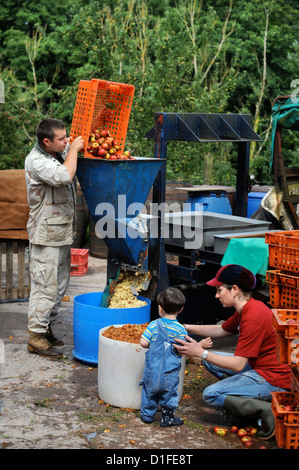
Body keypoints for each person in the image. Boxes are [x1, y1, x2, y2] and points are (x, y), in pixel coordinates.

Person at [174, 264, 291, 439]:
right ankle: (241, 396)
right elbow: (221, 330)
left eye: (220, 290)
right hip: (258, 367)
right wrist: (184, 327)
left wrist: (200, 352)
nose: (216, 295)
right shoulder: (247, 307)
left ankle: (264, 409)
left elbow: (238, 365)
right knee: (210, 361)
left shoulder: (253, 317)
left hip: (274, 379)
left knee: (211, 394)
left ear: (234, 289)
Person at [25, 118, 84, 359]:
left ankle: (46, 327)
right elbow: (64, 176)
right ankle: (35, 336)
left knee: (59, 284)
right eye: (61, 139)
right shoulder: (37, 161)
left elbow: (72, 155)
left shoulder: (57, 152)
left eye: (66, 136)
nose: (67, 141)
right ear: (46, 141)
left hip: (60, 232)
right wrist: (75, 150)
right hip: (46, 233)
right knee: (45, 284)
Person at [139, 287, 212, 427]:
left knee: (149, 393)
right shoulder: (180, 330)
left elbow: (143, 343)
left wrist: (151, 344)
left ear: (160, 308)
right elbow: (185, 349)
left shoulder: (153, 325)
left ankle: (147, 416)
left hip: (151, 371)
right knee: (169, 395)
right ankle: (167, 418)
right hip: (169, 374)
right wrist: (201, 344)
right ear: (181, 309)